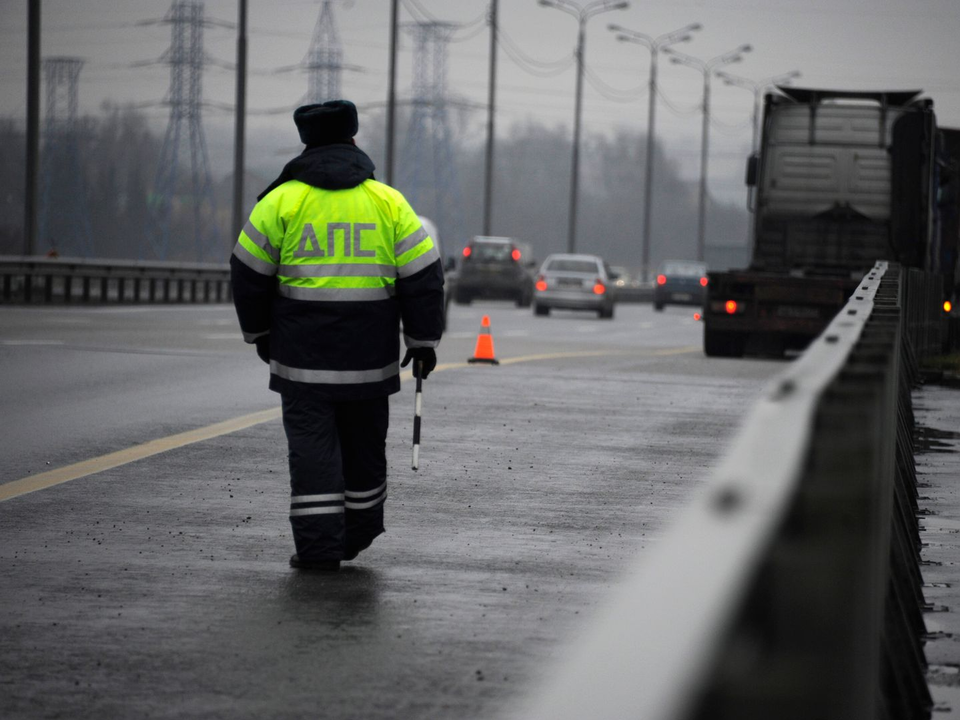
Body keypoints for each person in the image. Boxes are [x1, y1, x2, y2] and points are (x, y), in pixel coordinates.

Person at [230, 100, 444, 572]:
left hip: (301, 357)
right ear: (353, 138)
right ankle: (359, 530)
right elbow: (424, 276)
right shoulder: (387, 202)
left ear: (306, 142)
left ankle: (319, 546)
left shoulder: (281, 202)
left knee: (312, 451)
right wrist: (423, 341)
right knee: (364, 446)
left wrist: (260, 332)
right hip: (370, 359)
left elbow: (247, 273)